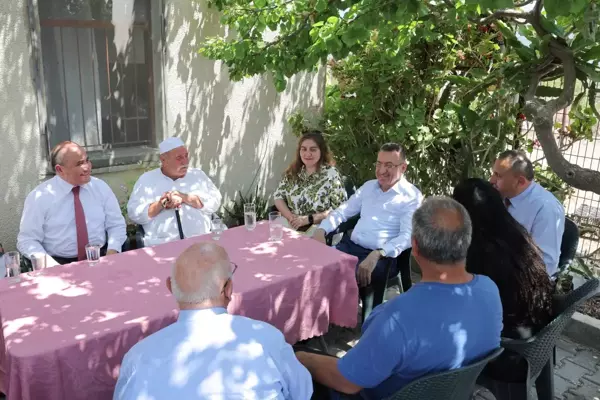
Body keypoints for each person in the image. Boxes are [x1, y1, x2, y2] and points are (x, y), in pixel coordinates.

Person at [296, 197, 503, 399]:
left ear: (415, 246)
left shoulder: (396, 319)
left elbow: (347, 382)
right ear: (467, 240)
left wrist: (300, 357)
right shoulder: (490, 291)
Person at [114, 242, 313, 400]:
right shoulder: (265, 339)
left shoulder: (137, 357)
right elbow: (302, 392)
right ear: (228, 289)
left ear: (170, 287)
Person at [313, 143, 423, 317]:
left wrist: (378, 253)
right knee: (313, 267)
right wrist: (321, 230)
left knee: (337, 273)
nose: (381, 170)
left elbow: (407, 237)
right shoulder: (369, 187)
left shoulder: (411, 196)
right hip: (349, 247)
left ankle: (357, 322)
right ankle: (314, 322)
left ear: (403, 167)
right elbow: (343, 211)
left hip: (382, 258)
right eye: (379, 164)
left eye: (389, 165)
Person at [453, 178, 553, 339]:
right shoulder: (516, 232)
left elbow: (464, 302)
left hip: (506, 339)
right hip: (535, 328)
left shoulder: (481, 250)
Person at [17, 141, 126, 266]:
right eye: (79, 164)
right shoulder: (40, 197)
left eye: (87, 160)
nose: (87, 167)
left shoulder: (100, 188)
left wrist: (111, 254)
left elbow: (116, 225)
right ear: (60, 169)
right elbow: (27, 240)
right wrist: (53, 267)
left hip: (101, 258)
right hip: (57, 263)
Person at [127, 138, 222, 246]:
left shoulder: (197, 175)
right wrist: (161, 204)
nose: (185, 162)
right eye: (179, 158)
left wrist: (186, 198)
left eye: (186, 156)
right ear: (163, 160)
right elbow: (134, 213)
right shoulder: (147, 180)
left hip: (201, 241)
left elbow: (215, 201)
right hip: (161, 245)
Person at [490, 150, 565, 276]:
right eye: (493, 173)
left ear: (520, 181)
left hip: (524, 280)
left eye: (498, 176)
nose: (492, 180)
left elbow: (546, 265)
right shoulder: (502, 195)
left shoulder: (546, 208)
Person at [273, 131, 347, 232]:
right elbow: (278, 196)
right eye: (304, 149)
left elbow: (339, 209)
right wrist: (291, 218)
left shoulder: (331, 174)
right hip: (292, 225)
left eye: (313, 149)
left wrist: (308, 219)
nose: (308, 154)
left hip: (320, 229)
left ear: (321, 151)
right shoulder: (293, 171)